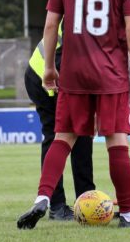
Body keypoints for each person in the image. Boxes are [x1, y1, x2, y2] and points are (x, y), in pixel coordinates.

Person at [17, 0, 130, 229]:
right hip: (110, 74)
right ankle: (129, 216)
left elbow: (51, 26)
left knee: (62, 138)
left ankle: (43, 197)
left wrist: (50, 66)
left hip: (73, 74)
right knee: (117, 141)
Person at [24, 23, 95, 221]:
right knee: (58, 135)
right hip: (44, 76)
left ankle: (88, 201)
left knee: (82, 135)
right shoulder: (86, 18)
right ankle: (57, 206)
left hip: (59, 71)